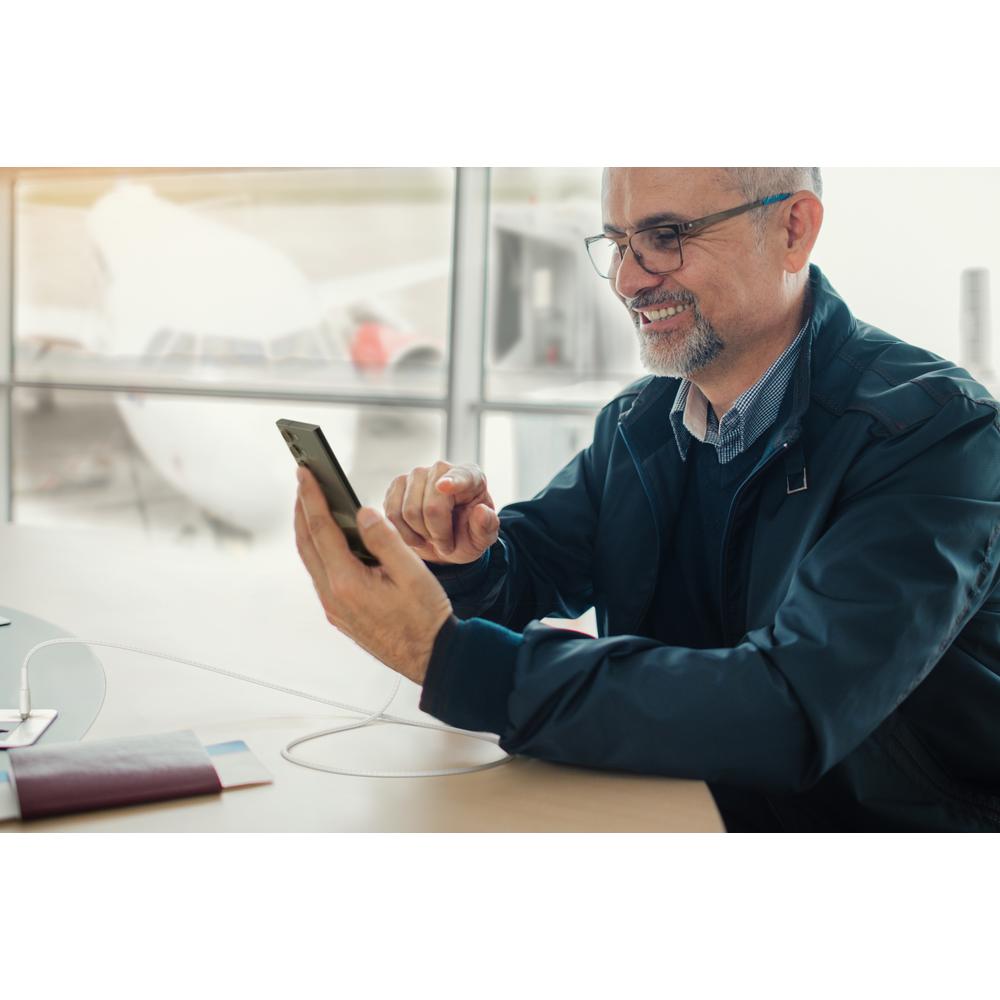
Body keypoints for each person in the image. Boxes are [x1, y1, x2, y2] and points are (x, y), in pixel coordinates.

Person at [293, 167, 1000, 832]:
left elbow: (787, 710)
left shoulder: (936, 435)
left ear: (793, 230)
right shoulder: (639, 423)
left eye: (666, 238)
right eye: (618, 243)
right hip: (667, 813)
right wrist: (462, 558)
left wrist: (454, 662)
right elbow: (527, 569)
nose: (629, 280)